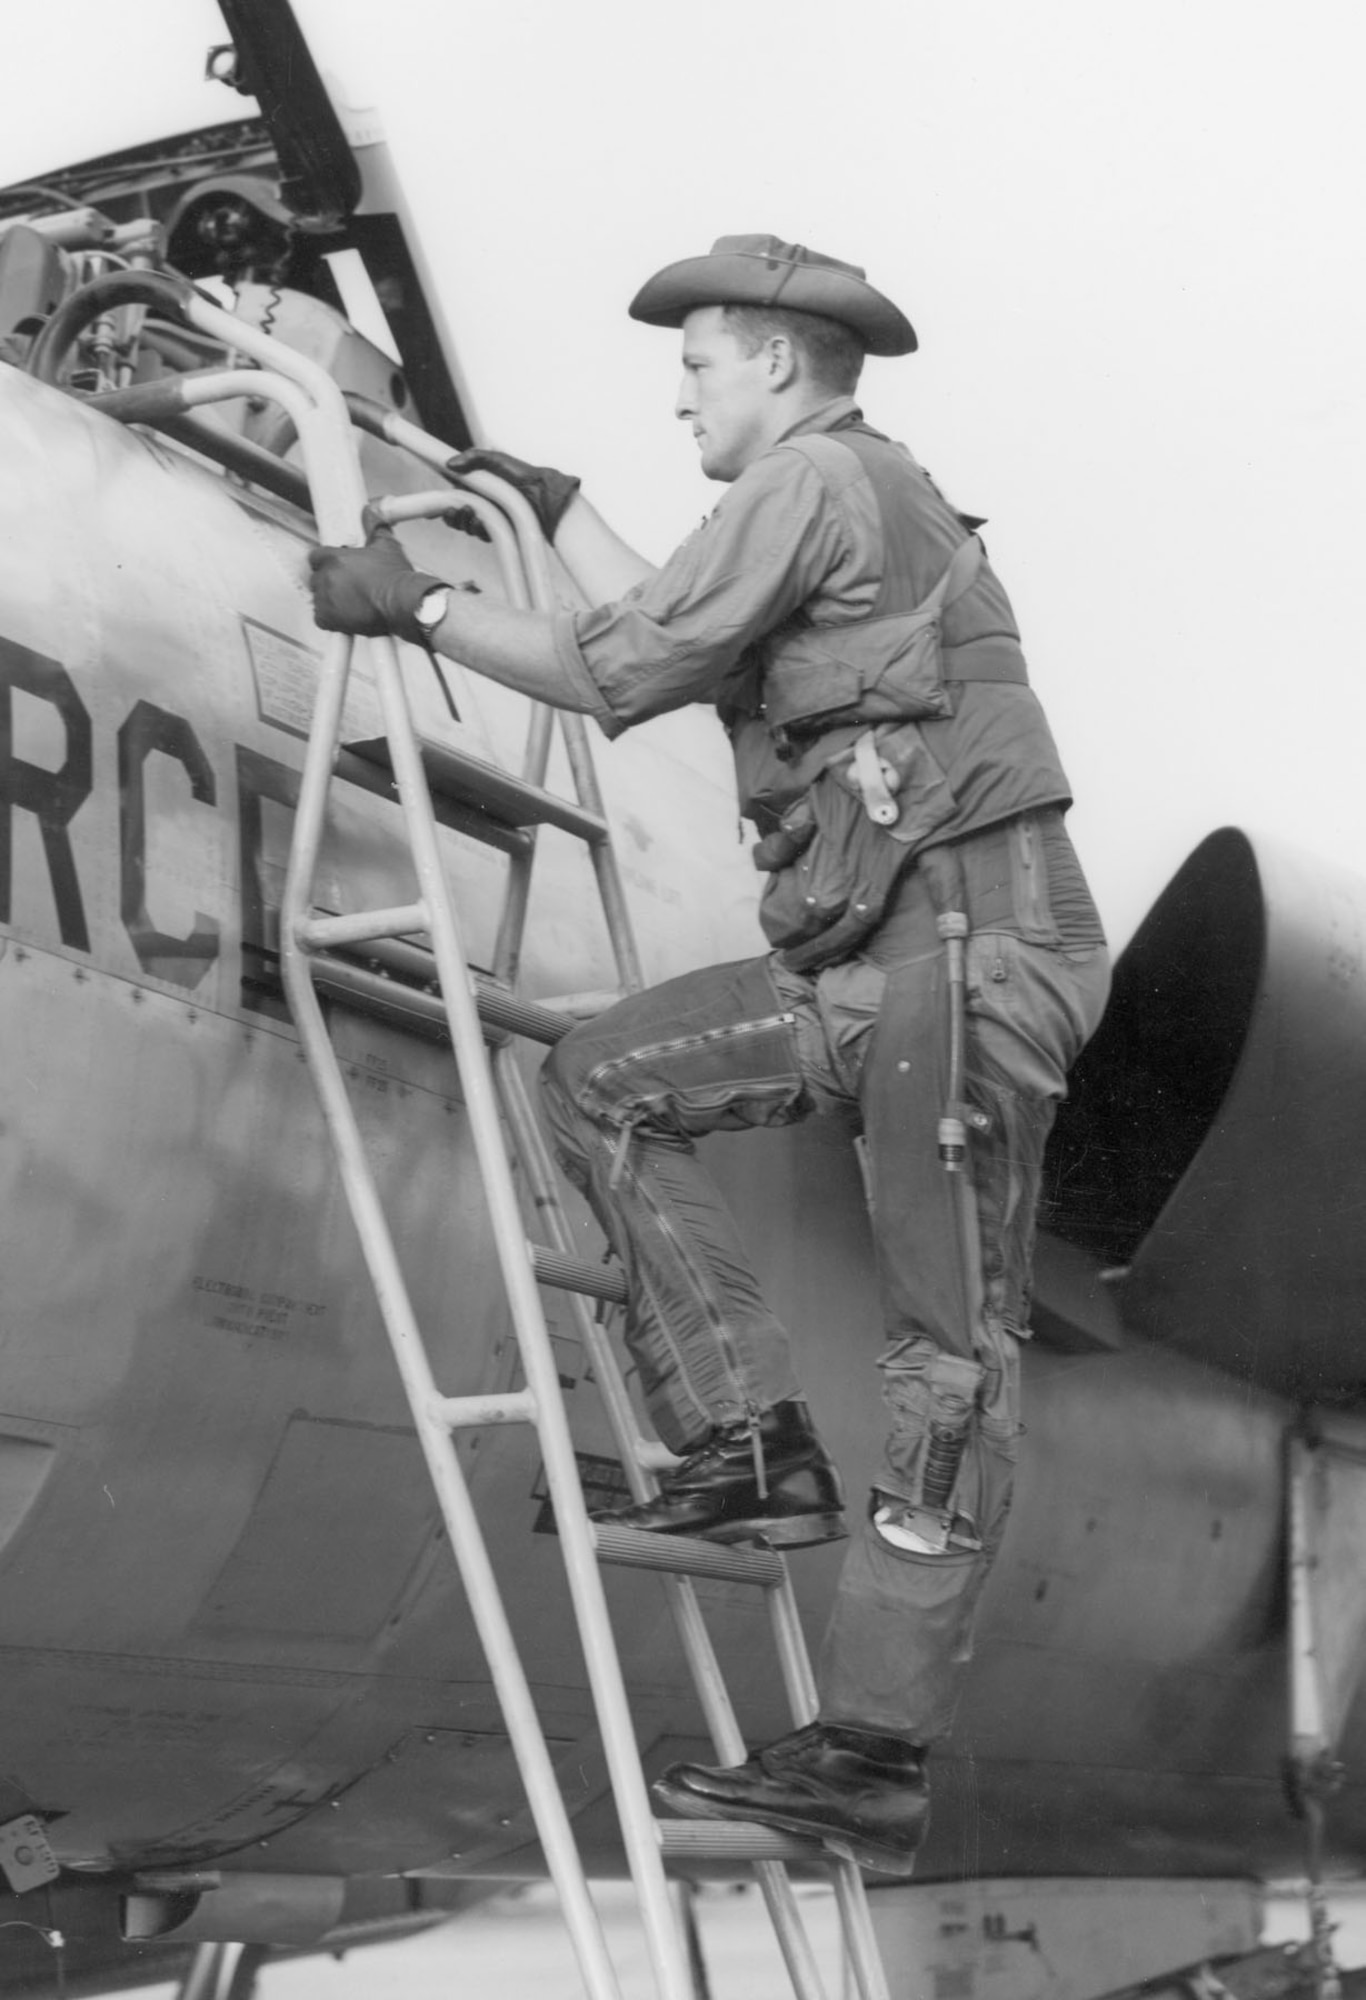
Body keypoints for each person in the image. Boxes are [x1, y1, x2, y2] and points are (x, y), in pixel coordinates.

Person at [307, 234, 1111, 1875]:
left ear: (773, 366)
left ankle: (875, 1750)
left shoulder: (816, 479)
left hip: (959, 977)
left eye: (696, 366)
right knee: (594, 1081)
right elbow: (684, 613)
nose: (677, 393)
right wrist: (543, 511)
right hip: (878, 970)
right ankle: (748, 1445)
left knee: (945, 1366)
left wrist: (426, 601)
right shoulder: (832, 499)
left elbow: (619, 667)